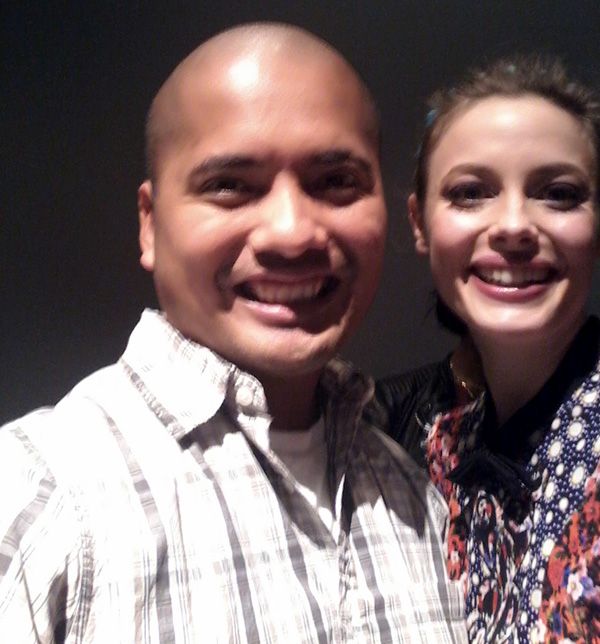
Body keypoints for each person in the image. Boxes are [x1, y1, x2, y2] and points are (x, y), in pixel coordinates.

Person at [0, 23, 466, 643]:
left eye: (335, 182)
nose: (292, 232)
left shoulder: (418, 496)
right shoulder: (38, 496)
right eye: (229, 186)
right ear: (150, 224)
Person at [372, 56, 600, 642]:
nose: (514, 225)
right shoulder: (437, 451)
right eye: (471, 193)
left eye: (559, 193)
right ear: (419, 222)